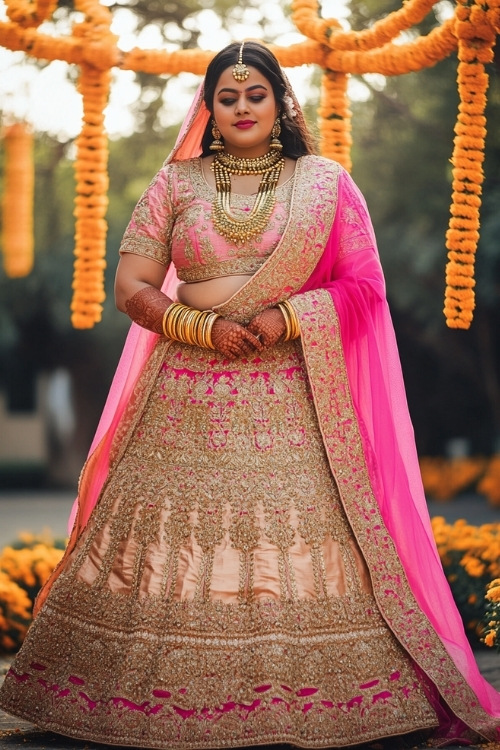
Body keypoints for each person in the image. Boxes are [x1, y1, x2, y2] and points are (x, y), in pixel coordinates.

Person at [0, 40, 499, 749]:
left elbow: (365, 290)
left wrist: (286, 316)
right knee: (172, 537)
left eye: (254, 95)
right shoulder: (175, 185)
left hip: (292, 391)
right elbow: (131, 287)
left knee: (293, 538)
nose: (240, 107)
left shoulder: (325, 183)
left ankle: (317, 697)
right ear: (211, 105)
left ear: (279, 102)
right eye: (227, 97)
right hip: (183, 393)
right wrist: (198, 327)